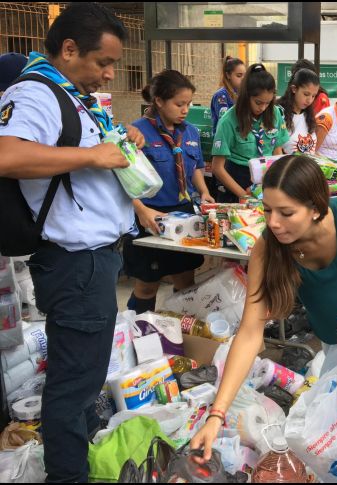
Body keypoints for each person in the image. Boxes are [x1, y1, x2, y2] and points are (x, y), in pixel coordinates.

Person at [0, 4, 146, 482]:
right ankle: (68, 476)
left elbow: (92, 162)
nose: (108, 75)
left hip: (95, 259)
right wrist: (90, 155)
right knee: (72, 385)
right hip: (74, 263)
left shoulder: (72, 95)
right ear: (68, 50)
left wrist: (118, 145)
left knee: (84, 377)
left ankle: (81, 459)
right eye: (102, 63)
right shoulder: (36, 92)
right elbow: (7, 153)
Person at [189, 155, 337, 460]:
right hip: (328, 316)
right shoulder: (268, 248)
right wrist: (216, 416)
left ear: (315, 208)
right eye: (268, 210)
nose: (273, 223)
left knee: (330, 394)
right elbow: (249, 334)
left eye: (286, 213)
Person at [123, 70, 215, 314]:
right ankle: (141, 334)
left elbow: (195, 166)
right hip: (151, 216)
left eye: (188, 103)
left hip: (184, 214)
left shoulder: (190, 132)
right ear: (159, 101)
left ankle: (181, 332)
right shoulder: (137, 133)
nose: (185, 109)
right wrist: (140, 210)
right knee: (147, 285)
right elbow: (124, 179)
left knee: (186, 281)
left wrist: (204, 192)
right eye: (179, 104)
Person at [211, 64, 289, 203]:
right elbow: (217, 168)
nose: (263, 108)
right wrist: (243, 195)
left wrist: (277, 182)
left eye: (267, 103)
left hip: (266, 179)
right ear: (247, 96)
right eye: (258, 102)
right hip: (236, 182)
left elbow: (277, 150)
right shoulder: (228, 120)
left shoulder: (275, 113)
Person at [277, 68, 320, 154]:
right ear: (294, 89)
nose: (309, 100)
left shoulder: (309, 115)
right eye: (306, 94)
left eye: (313, 96)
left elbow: (312, 151)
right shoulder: (278, 113)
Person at [210, 56, 245, 135]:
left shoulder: (242, 94)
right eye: (239, 76)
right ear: (228, 75)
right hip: (224, 138)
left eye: (244, 76)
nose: (243, 79)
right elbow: (225, 121)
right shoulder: (221, 95)